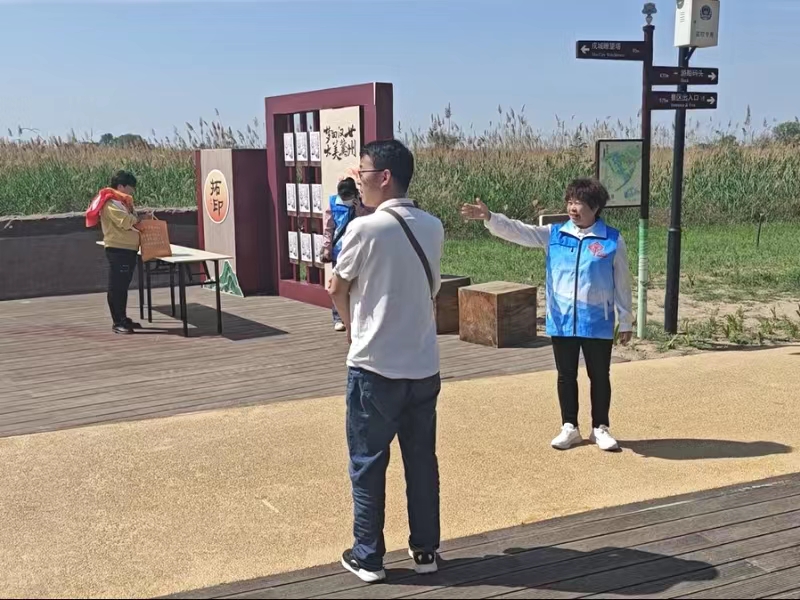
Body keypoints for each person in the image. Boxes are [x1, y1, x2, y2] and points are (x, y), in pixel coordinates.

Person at [328, 140, 445, 583]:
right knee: (421, 462)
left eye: (362, 172)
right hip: (423, 364)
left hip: (374, 366)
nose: (358, 180)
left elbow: (337, 287)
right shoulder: (433, 226)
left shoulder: (364, 229)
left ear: (384, 177)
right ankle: (426, 550)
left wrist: (351, 329)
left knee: (368, 463)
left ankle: (368, 556)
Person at [460, 178, 633, 452]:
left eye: (579, 203)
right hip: (562, 320)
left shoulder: (612, 239)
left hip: (597, 321)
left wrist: (625, 320)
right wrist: (491, 217)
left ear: (595, 207)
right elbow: (519, 231)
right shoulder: (554, 234)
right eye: (570, 202)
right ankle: (569, 426)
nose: (573, 208)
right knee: (566, 375)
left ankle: (600, 427)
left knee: (600, 375)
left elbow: (622, 282)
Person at [86, 170, 148, 334]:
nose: (132, 191)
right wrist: (139, 220)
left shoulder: (123, 202)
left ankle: (123, 317)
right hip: (118, 249)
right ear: (121, 186)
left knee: (123, 286)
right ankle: (117, 322)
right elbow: (126, 221)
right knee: (117, 286)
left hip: (129, 249)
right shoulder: (111, 203)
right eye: (130, 187)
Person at [321, 175, 373, 331]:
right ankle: (338, 318)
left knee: (357, 284)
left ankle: (357, 316)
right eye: (343, 196)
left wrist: (359, 209)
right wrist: (327, 248)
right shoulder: (333, 203)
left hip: (358, 250)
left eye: (348, 196)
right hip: (339, 251)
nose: (345, 199)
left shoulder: (362, 202)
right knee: (338, 285)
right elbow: (328, 228)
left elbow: (369, 221)